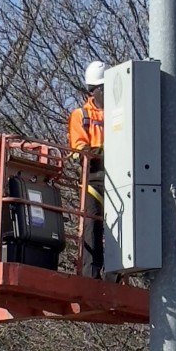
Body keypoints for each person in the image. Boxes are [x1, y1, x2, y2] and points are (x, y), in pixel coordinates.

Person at [68, 60, 105, 278]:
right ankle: (91, 274)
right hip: (93, 179)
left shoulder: (120, 113)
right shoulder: (81, 116)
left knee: (121, 230)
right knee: (92, 227)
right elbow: (80, 151)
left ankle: (114, 273)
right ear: (94, 90)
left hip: (118, 180)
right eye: (104, 88)